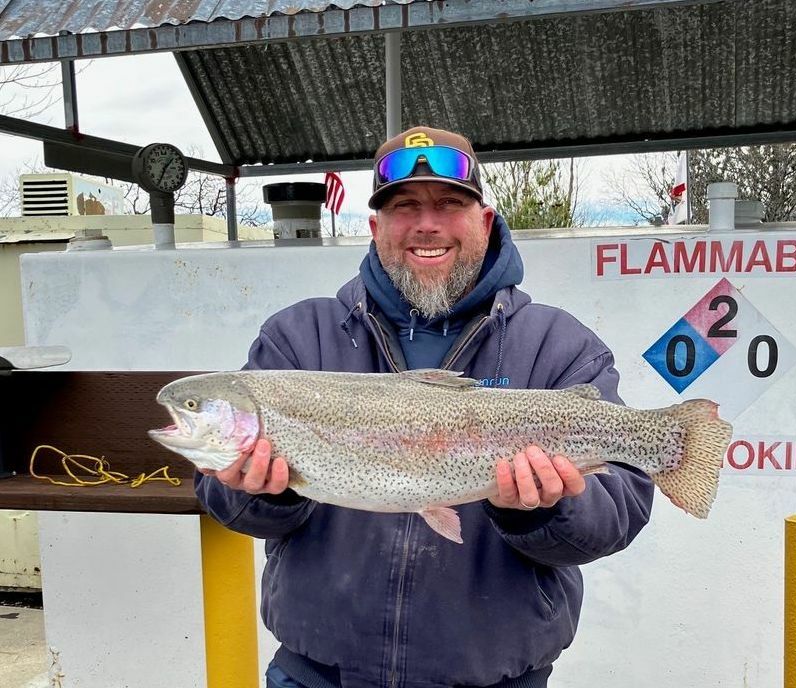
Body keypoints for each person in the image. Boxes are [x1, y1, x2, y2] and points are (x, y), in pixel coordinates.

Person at [195, 126, 655, 688]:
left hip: (498, 678)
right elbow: (224, 499)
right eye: (404, 206)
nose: (426, 224)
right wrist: (257, 490)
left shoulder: (560, 346)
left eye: (449, 204)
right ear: (375, 228)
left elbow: (616, 513)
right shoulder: (299, 337)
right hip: (316, 674)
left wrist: (539, 510)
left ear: (484, 221)